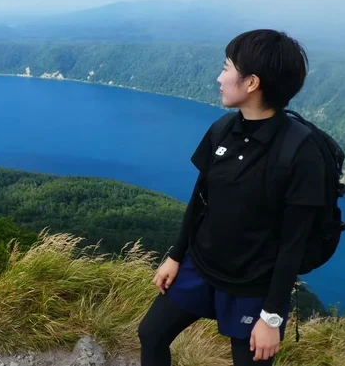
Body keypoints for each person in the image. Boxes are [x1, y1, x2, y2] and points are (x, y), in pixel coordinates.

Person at [137, 29, 326, 365]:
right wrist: (176, 256)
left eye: (226, 68)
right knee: (151, 333)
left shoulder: (300, 152)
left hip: (254, 288)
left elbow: (293, 243)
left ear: (251, 83)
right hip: (202, 266)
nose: (218, 77)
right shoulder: (222, 129)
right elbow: (200, 200)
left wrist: (271, 317)